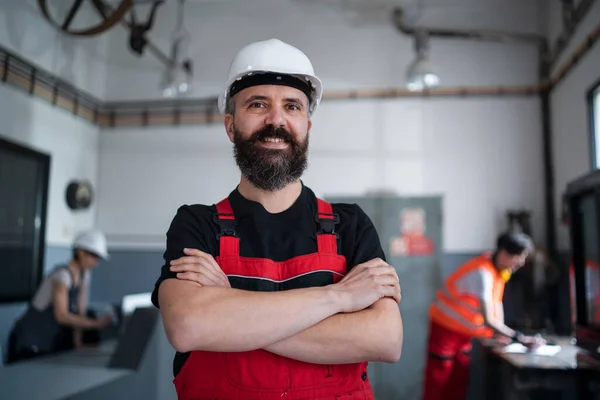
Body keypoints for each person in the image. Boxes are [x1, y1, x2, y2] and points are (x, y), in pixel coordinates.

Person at [151, 38, 403, 400]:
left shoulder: (350, 225)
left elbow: (386, 339)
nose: (276, 120)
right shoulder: (196, 224)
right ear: (230, 125)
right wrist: (339, 298)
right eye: (257, 104)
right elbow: (189, 326)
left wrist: (232, 307)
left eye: (292, 106)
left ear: (306, 127)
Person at [422, 231, 544, 400]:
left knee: (458, 383)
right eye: (519, 257)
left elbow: (496, 303)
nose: (522, 263)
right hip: (445, 331)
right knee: (439, 383)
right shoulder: (482, 273)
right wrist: (519, 337)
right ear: (504, 252)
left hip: (463, 335)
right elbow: (489, 319)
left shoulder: (497, 270)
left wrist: (501, 333)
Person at [8, 229, 113, 364]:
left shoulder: (84, 276)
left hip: (48, 343)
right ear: (81, 252)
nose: (96, 263)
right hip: (29, 342)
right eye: (94, 256)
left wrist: (78, 342)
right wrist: (96, 324)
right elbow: (62, 316)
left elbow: (80, 313)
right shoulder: (62, 276)